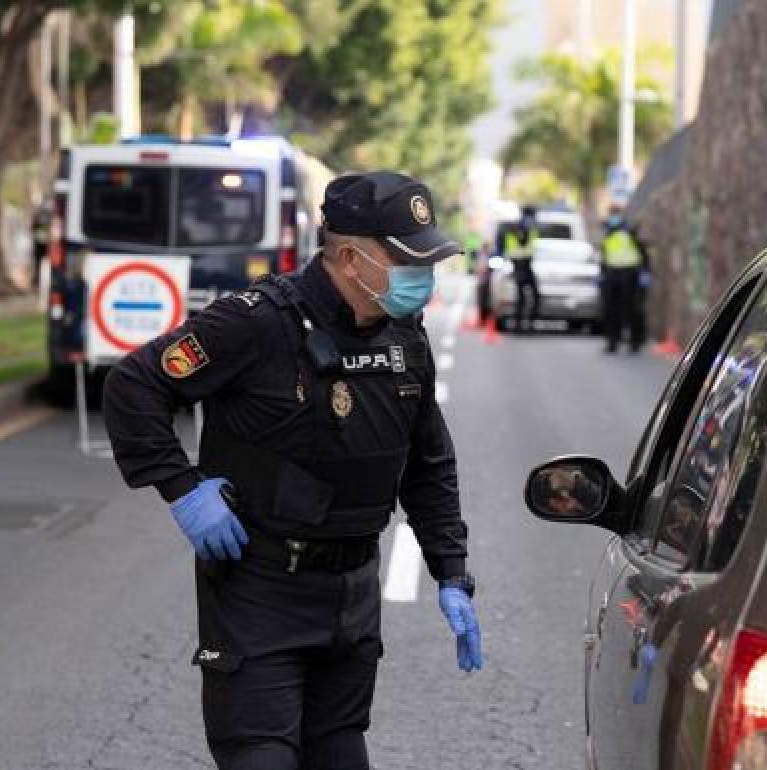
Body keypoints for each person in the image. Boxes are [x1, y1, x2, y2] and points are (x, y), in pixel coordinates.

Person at [102, 171, 482, 770]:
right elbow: (134, 386)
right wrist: (182, 490)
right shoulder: (255, 322)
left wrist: (451, 572)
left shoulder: (405, 336)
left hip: (351, 597)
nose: (425, 279)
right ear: (352, 258)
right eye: (411, 262)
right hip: (261, 592)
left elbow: (427, 461)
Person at [599, 205, 648, 353]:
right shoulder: (608, 233)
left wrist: (645, 273)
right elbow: (605, 255)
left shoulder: (629, 232)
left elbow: (642, 253)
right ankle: (612, 341)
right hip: (612, 273)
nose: (613, 217)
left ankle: (635, 341)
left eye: (615, 214)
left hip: (630, 273)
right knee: (610, 309)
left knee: (632, 308)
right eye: (611, 214)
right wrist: (602, 273)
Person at [501, 205, 540, 332]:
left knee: (535, 295)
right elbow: (513, 252)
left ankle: (529, 324)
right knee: (521, 297)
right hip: (518, 267)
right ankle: (519, 325)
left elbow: (532, 249)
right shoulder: (513, 230)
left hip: (527, 266)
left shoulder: (531, 230)